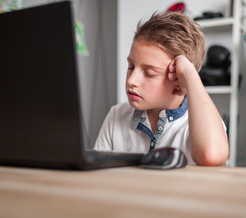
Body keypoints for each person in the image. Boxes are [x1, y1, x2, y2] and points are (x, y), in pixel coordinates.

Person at [93, 11, 229, 166]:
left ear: (179, 81)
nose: (131, 80)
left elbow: (211, 155)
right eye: (130, 66)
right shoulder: (116, 115)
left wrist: (191, 76)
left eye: (149, 73)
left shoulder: (205, 124)